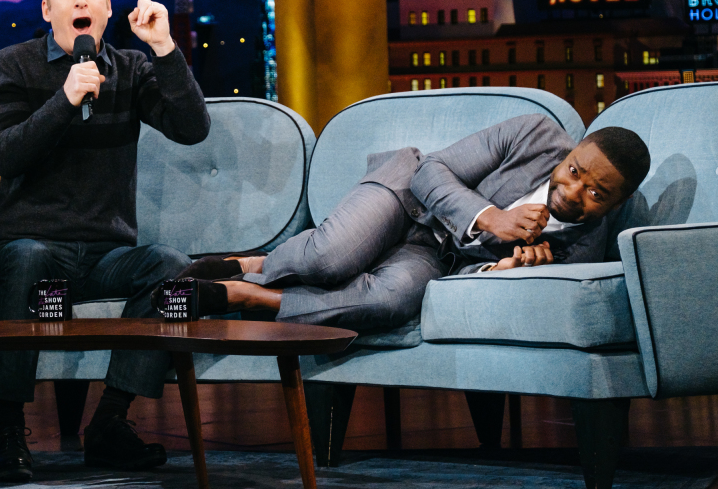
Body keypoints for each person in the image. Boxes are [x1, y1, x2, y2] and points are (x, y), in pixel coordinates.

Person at [0, 0, 210, 483]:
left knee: (174, 266)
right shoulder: (12, 65)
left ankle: (110, 422)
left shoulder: (129, 69)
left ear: (108, 7)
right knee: (27, 256)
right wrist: (63, 99)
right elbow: (6, 155)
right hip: (33, 249)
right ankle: (7, 430)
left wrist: (164, 48)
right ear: (47, 9)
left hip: (107, 255)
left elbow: (192, 128)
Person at [180, 114, 651, 332]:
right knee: (329, 259)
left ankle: (246, 292)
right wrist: (492, 218)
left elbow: (461, 279)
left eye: (595, 193)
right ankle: (246, 261)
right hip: (407, 195)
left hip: (434, 256)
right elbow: (431, 171)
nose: (572, 192)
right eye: (574, 171)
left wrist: (499, 272)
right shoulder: (535, 133)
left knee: (393, 300)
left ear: (617, 202)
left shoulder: (585, 252)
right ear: (571, 151)